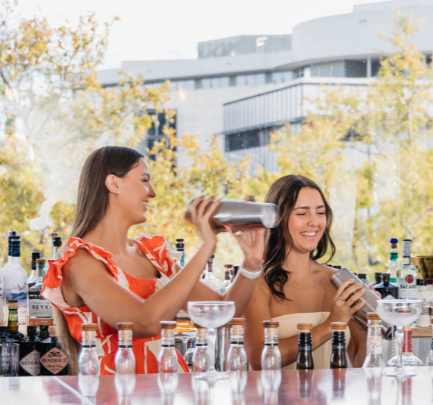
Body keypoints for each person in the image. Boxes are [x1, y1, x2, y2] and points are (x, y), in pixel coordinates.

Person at [42, 146, 265, 374]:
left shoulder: (153, 255)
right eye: (144, 180)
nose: (152, 192)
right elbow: (144, 323)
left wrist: (252, 263)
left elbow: (220, 315)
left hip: (170, 389)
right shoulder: (79, 262)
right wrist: (207, 246)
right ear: (114, 184)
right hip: (117, 395)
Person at [244, 175, 367, 369]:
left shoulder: (338, 281)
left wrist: (367, 323)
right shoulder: (257, 283)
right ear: (276, 218)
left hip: (334, 398)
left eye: (320, 212)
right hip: (276, 398)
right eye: (302, 214)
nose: (314, 222)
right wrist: (330, 326)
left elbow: (359, 364)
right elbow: (260, 359)